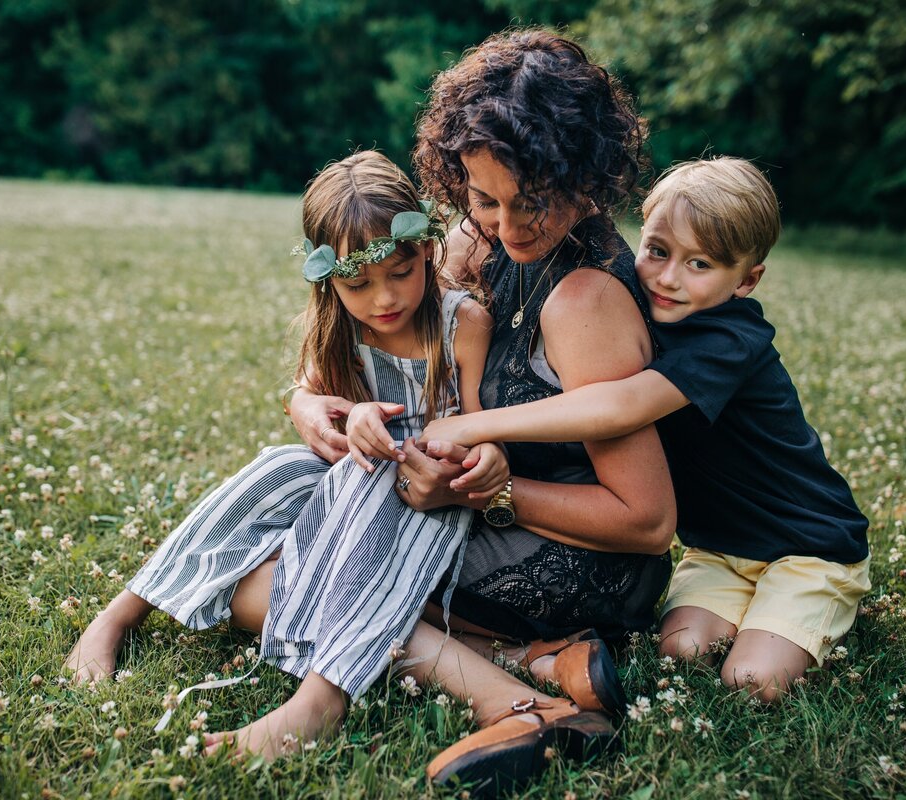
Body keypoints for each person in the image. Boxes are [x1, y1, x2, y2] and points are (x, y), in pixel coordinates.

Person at [289, 30, 677, 792]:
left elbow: (648, 522)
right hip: (482, 514)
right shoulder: (483, 237)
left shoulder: (584, 299)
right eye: (481, 198)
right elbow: (381, 325)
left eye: (530, 200)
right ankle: (537, 669)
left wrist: (486, 493)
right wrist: (305, 401)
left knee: (316, 552)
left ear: (582, 172)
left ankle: (516, 698)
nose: (503, 227)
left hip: (580, 558)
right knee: (310, 518)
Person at [64, 150, 506, 756]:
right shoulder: (339, 330)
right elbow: (314, 400)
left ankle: (319, 701)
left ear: (427, 251)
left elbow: (479, 426)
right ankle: (120, 612)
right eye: (358, 285)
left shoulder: (464, 322)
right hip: (347, 482)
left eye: (400, 273)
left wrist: (462, 452)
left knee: (367, 483)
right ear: (330, 282)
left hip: (425, 504)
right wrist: (332, 414)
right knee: (277, 466)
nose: (383, 299)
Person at [421, 157, 872, 701]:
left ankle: (820, 601)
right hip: (718, 547)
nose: (667, 278)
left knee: (751, 682)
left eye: (700, 265)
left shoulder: (727, 340)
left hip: (807, 546)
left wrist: (473, 425)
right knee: (681, 651)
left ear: (747, 280)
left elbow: (616, 406)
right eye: (657, 251)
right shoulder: (654, 313)